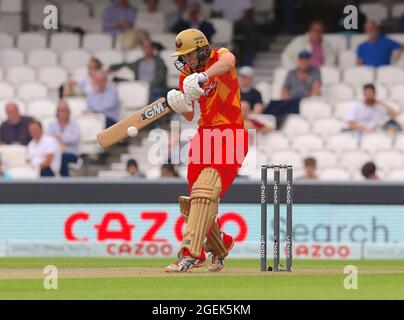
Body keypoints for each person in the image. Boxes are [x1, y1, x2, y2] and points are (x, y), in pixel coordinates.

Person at [165, 29, 248, 273]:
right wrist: (178, 104)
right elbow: (191, 114)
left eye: (190, 55)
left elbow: (229, 61)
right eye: (184, 57)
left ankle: (192, 253)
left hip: (231, 134)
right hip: (204, 137)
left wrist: (202, 76)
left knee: (205, 192)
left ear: (202, 49)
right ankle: (222, 245)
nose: (187, 61)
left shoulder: (219, 56)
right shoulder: (185, 75)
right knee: (193, 203)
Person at [264, 51, 321, 128]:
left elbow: (316, 88)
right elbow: (285, 89)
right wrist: (287, 100)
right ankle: (268, 123)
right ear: (299, 60)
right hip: (291, 100)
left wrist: (310, 99)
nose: (304, 62)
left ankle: (275, 124)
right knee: (273, 104)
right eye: (302, 60)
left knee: (291, 104)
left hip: (303, 100)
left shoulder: (315, 71)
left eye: (306, 60)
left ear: (309, 61)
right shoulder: (291, 73)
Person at [211, 0, 258, 66]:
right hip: (225, 25)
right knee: (210, 27)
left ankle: (248, 59)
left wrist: (238, 22)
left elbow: (249, 12)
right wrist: (224, 22)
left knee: (251, 28)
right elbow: (214, 13)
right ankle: (213, 59)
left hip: (240, 24)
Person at [46, 101, 80, 177]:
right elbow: (47, 140)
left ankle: (65, 182)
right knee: (51, 158)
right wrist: (64, 139)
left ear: (68, 112)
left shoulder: (74, 125)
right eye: (61, 110)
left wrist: (60, 137)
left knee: (62, 157)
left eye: (65, 110)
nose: (63, 112)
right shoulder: (51, 125)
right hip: (55, 153)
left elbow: (74, 139)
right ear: (57, 112)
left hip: (71, 154)